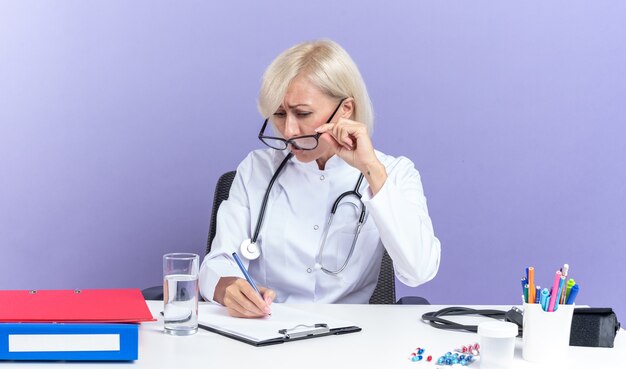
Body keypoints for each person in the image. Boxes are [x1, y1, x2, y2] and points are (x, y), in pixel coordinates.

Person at [199, 39, 440, 318]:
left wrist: (372, 170)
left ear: (345, 109)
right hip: (267, 330)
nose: (288, 130)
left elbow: (419, 271)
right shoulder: (256, 169)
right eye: (278, 114)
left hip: (353, 337)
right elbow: (217, 263)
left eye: (302, 113)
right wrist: (227, 286)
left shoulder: (394, 173)